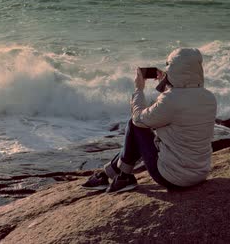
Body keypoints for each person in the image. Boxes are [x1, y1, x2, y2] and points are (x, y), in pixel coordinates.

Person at [83, 48, 217, 193]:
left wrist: (139, 89)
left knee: (135, 126)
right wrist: (168, 83)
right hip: (200, 173)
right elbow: (180, 107)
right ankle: (113, 173)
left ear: (172, 68)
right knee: (143, 129)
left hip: (173, 177)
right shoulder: (209, 97)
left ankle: (122, 175)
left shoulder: (170, 100)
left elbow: (138, 118)